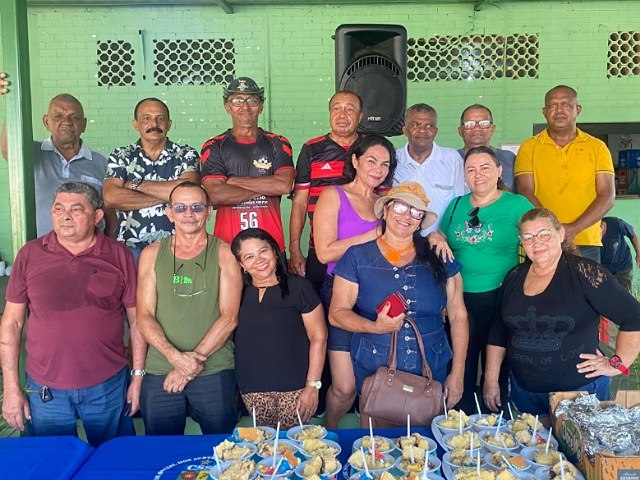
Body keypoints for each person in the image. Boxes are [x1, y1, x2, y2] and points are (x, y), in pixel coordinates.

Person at [0, 182, 145, 446]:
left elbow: (137, 322)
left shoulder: (118, 255)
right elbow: (11, 322)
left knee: (113, 462)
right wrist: (11, 387)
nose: (65, 216)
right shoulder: (30, 255)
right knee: (51, 464)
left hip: (107, 386)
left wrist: (137, 378)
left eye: (76, 209)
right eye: (59, 208)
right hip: (46, 389)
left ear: (97, 216)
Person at [329, 182, 468, 427]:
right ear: (385, 210)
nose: (407, 216)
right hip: (375, 364)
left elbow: (458, 315)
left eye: (416, 212)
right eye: (401, 207)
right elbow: (337, 314)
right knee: (375, 443)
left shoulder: (439, 256)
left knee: (424, 448)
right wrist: (375, 327)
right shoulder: (357, 255)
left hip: (431, 366)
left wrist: (458, 373)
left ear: (421, 221)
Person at [484, 208, 640, 419]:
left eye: (544, 234)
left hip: (579, 392)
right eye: (528, 237)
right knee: (536, 450)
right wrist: (491, 380)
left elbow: (633, 316)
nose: (536, 243)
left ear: (560, 234)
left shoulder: (585, 273)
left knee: (580, 451)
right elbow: (499, 330)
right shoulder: (514, 276)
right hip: (525, 392)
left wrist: (616, 363)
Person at [136, 181, 242, 435]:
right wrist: (175, 359)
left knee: (221, 451)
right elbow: (144, 315)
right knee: (162, 451)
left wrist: (188, 367)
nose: (189, 214)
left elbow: (229, 318)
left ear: (209, 211)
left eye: (196, 207)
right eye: (180, 207)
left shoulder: (226, 253)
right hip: (161, 369)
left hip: (214, 369)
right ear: (169, 212)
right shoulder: (151, 254)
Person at [440, 146, 533, 414]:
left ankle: (495, 432)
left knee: (496, 372)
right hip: (459, 299)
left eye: (485, 167)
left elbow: (539, 239)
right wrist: (435, 237)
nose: (477, 174)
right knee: (461, 366)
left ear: (499, 171)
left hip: (501, 297)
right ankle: (459, 428)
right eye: (471, 169)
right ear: (464, 176)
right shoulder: (456, 205)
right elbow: (442, 244)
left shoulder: (517, 205)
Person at [313, 134, 397, 429]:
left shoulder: (385, 203)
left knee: (374, 384)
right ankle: (328, 432)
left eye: (385, 164)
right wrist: (372, 236)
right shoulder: (333, 195)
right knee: (345, 387)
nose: (378, 169)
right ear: (355, 161)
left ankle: (367, 447)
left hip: (376, 296)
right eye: (371, 160)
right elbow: (325, 253)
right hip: (340, 294)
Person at [231, 228, 327, 429]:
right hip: (252, 388)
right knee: (267, 451)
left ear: (274, 252)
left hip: (296, 388)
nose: (259, 260)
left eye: (263, 251)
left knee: (295, 450)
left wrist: (312, 387)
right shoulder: (236, 293)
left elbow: (319, 336)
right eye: (249, 257)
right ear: (242, 265)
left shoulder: (299, 287)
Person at [0, 72, 115, 236]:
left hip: (90, 253)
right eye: (58, 116)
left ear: (83, 125)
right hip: (41, 251)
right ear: (46, 122)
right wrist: (9, 103)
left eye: (74, 117)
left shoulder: (101, 162)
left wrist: (110, 246)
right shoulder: (32, 153)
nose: (66, 122)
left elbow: (109, 211)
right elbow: (8, 150)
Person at [515, 85, 615, 263]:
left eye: (566, 105)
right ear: (544, 112)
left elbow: (607, 195)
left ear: (578, 110)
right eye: (553, 105)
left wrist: (574, 229)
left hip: (585, 241)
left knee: (585, 290)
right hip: (541, 240)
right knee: (542, 290)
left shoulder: (597, 147)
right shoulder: (529, 147)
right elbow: (525, 191)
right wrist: (552, 231)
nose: (559, 110)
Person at [201, 77, 295, 253]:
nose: (245, 107)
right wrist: (268, 185)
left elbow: (284, 184)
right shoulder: (213, 146)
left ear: (261, 106)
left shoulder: (278, 143)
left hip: (271, 245)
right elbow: (215, 195)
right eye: (237, 100)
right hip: (227, 247)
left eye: (252, 100)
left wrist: (233, 181)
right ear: (227, 106)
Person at [103, 97, 200, 260]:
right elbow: (111, 197)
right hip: (130, 249)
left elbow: (190, 193)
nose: (154, 124)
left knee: (180, 286)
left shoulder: (186, 154)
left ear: (169, 124)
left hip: (178, 248)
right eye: (146, 118)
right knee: (135, 287)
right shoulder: (121, 156)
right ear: (136, 124)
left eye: (160, 119)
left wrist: (135, 184)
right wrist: (170, 196)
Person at [289, 90, 364, 291]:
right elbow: (300, 202)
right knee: (319, 310)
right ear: (329, 113)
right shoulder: (312, 149)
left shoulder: (370, 147)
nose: (342, 115)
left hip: (365, 250)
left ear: (360, 116)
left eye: (350, 109)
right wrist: (295, 249)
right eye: (336, 109)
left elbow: (384, 199)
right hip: (320, 249)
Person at [393, 103, 467, 238]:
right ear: (405, 130)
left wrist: (442, 238)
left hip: (442, 245)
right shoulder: (394, 160)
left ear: (436, 131)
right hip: (401, 245)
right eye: (415, 125)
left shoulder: (452, 159)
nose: (423, 130)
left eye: (429, 125)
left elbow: (461, 205)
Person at [457, 104, 516, 191]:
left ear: (493, 129)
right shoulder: (452, 160)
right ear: (460, 131)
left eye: (484, 123)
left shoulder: (509, 159)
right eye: (469, 124)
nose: (477, 128)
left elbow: (519, 196)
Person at [600, 216, 640, 293]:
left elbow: (632, 234)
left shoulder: (615, 223)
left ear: (602, 226)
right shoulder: (589, 238)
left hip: (623, 267)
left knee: (624, 295)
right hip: (604, 270)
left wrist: (638, 253)